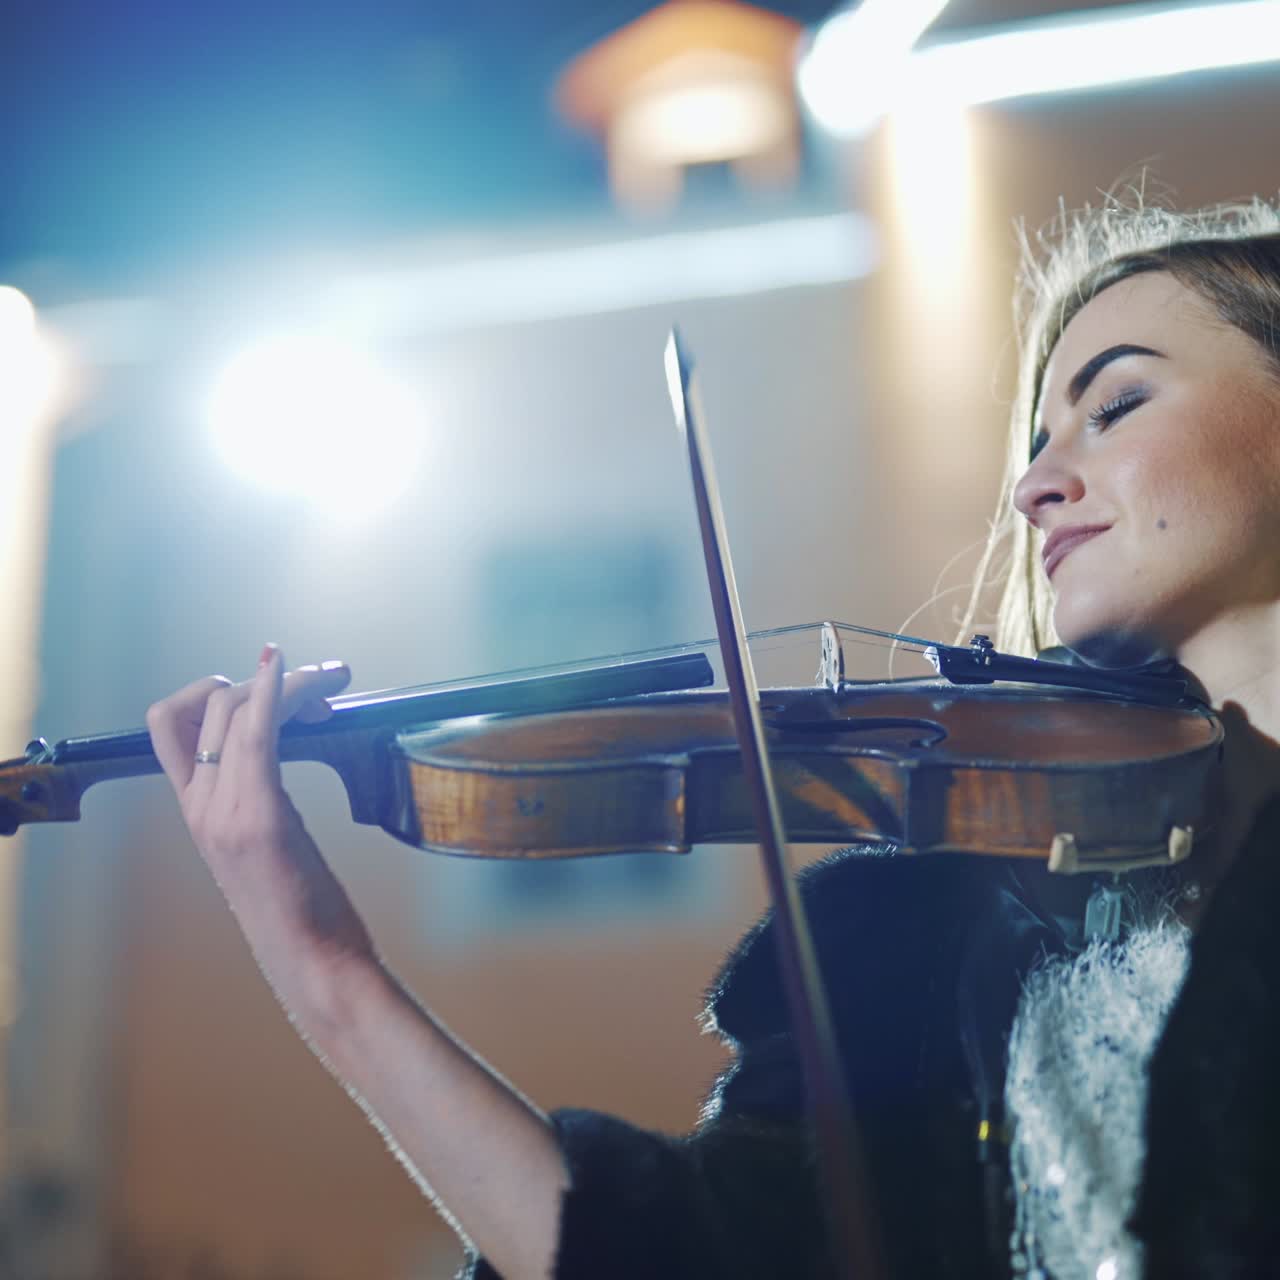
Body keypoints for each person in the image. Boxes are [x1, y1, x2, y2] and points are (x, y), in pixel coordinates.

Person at [146, 196, 1280, 1280]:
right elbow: (667, 1257)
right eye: (1034, 438)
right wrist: (325, 970)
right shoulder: (938, 940)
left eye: (1114, 405)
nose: (1033, 483)